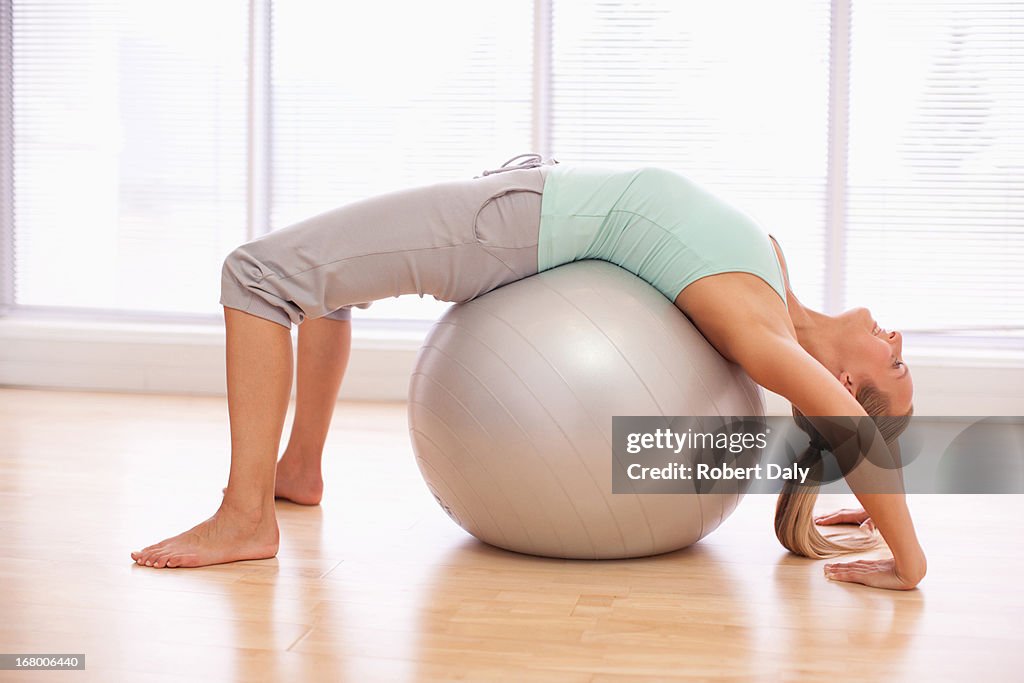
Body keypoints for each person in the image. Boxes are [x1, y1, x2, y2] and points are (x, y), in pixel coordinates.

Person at [131, 153, 926, 590]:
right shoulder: (775, 283)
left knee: (259, 276)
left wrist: (907, 555)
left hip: (511, 228)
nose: (894, 334)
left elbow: (843, 428)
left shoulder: (763, 336)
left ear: (849, 387)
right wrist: (828, 509)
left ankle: (245, 517)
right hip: (524, 198)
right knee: (323, 278)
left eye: (894, 360)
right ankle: (297, 471)